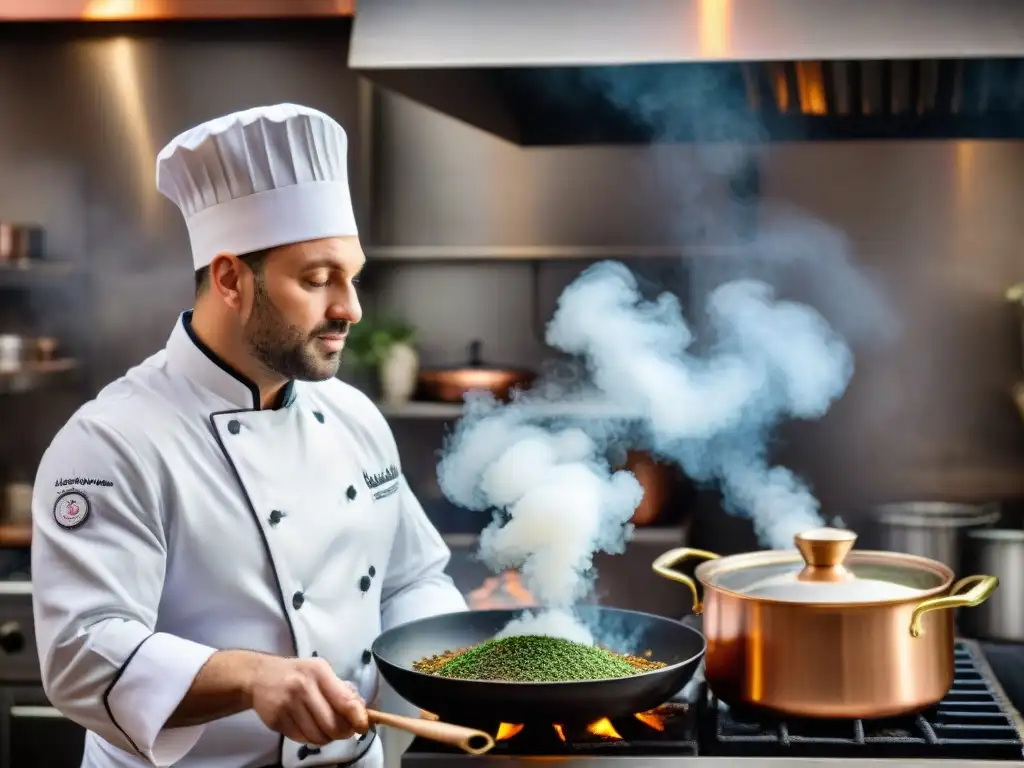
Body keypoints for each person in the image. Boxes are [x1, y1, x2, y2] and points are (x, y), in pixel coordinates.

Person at [30, 104, 469, 768]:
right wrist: (250, 677)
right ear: (232, 279)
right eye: (318, 280)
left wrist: (449, 664)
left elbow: (413, 579)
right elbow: (83, 653)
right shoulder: (113, 441)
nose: (350, 308)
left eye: (353, 277)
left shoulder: (352, 415)